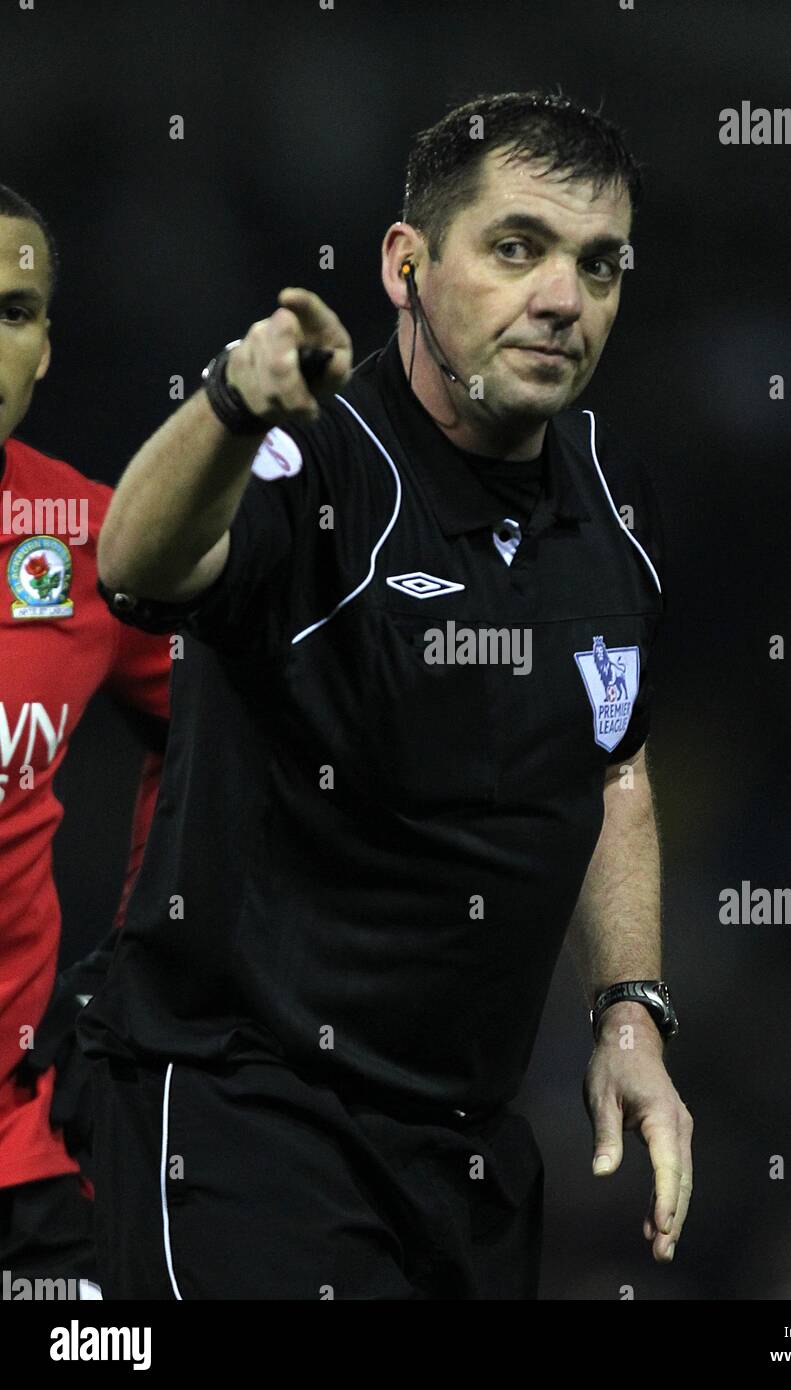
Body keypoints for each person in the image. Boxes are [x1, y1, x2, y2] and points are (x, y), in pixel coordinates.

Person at [81, 90, 693, 1300]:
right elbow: (133, 563)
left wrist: (629, 1009)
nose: (563, 299)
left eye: (598, 263)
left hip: (462, 1156)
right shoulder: (318, 461)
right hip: (244, 1116)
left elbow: (610, 757)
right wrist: (226, 400)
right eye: (516, 248)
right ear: (406, 265)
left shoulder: (613, 501)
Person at [0, 184, 170, 1295]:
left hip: (23, 1170)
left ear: (47, 348)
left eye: (15, 310)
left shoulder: (83, 532)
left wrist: (139, 961)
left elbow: (216, 732)